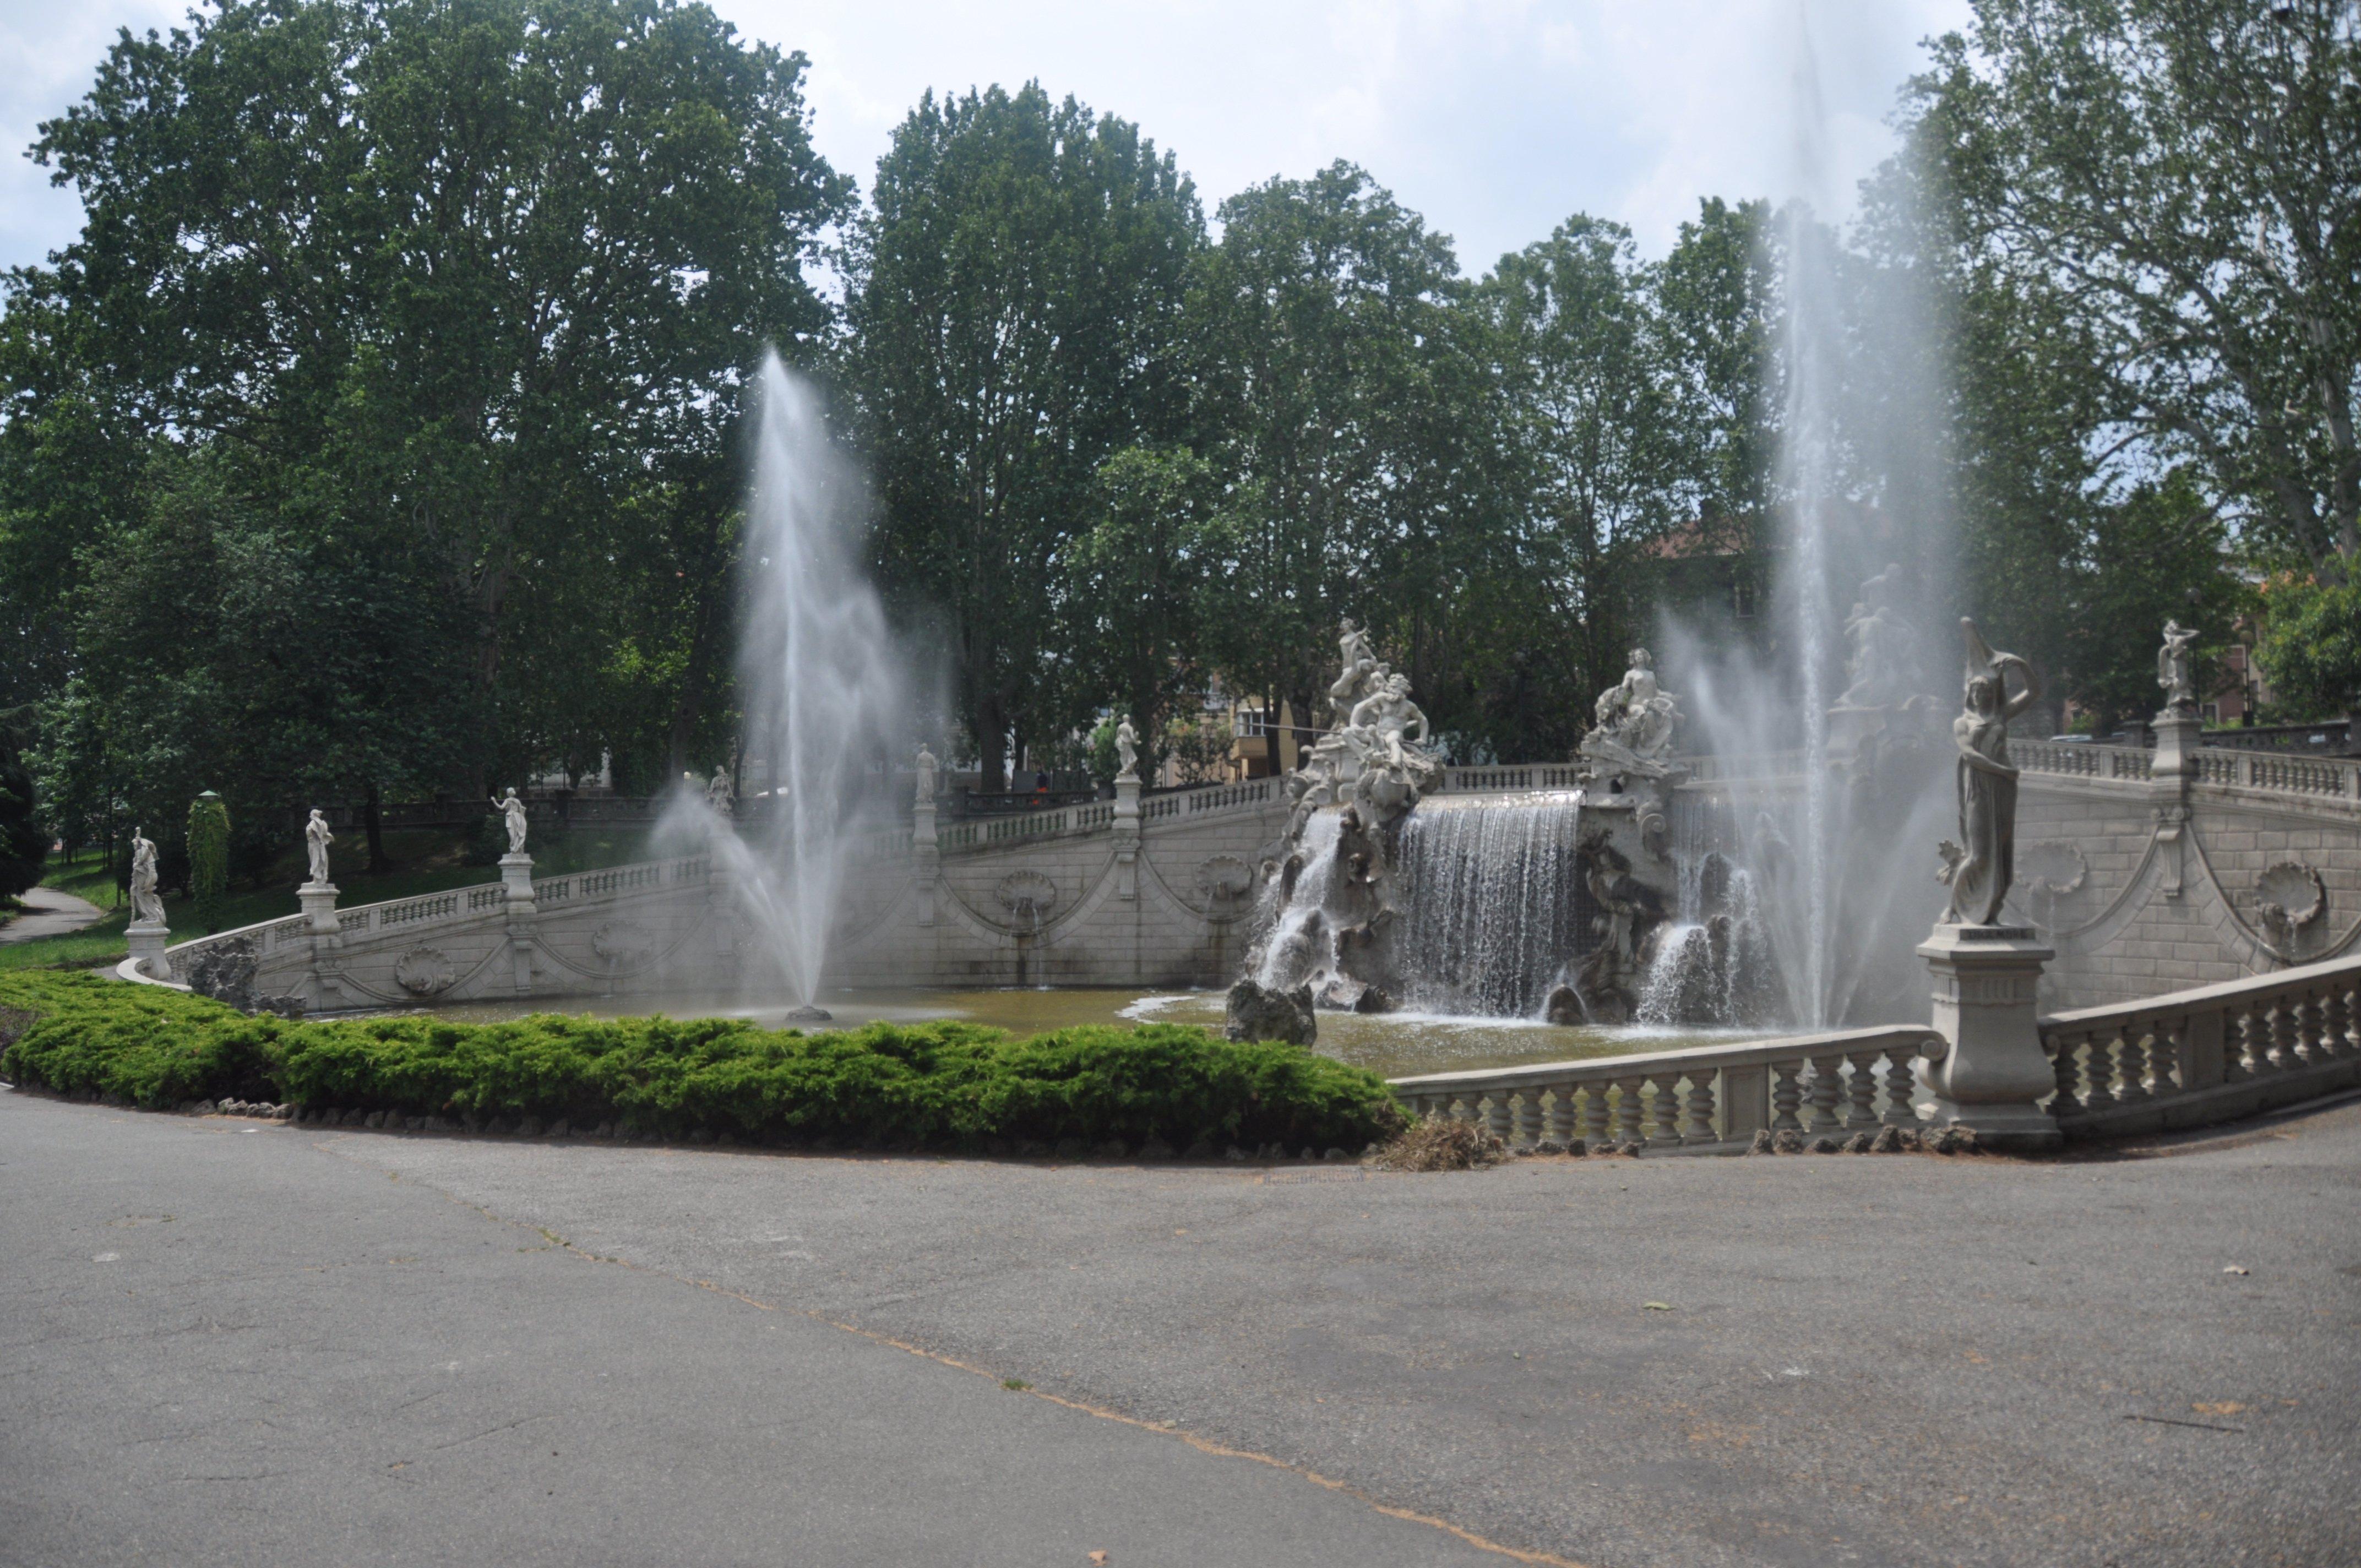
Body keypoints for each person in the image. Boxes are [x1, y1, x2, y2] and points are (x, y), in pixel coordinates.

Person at [1938, 620, 2042, 925]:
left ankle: (1990, 913)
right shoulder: (1963, 724)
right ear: (1969, 695)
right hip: (1980, 788)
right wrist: (2003, 770)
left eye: (1987, 690)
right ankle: (1954, 909)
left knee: (2003, 859)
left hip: (2004, 788)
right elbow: (1969, 755)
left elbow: (2034, 692)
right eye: (1977, 690)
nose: (1981, 694)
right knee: (1980, 854)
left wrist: (2021, 664)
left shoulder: (2001, 715)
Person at [303, 808, 334, 886]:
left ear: (313, 815)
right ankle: (321, 878)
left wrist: (310, 838)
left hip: (314, 844)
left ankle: (317, 880)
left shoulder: (313, 823)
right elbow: (325, 833)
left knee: (315, 859)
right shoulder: (323, 824)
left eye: (311, 815)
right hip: (321, 844)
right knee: (322, 859)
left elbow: (309, 832)